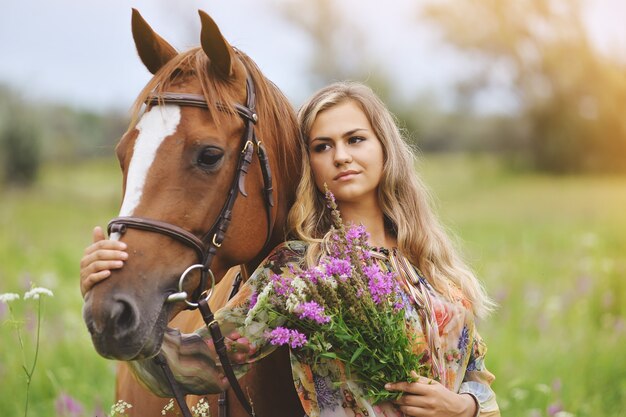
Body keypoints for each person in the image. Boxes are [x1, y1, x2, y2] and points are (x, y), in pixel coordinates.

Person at [80, 81, 500, 417]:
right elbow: (202, 365)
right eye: (322, 146)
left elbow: (476, 374)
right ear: (308, 163)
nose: (340, 156)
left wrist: (464, 407)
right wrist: (125, 317)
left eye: (355, 139)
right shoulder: (299, 271)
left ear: (384, 148)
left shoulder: (430, 262)